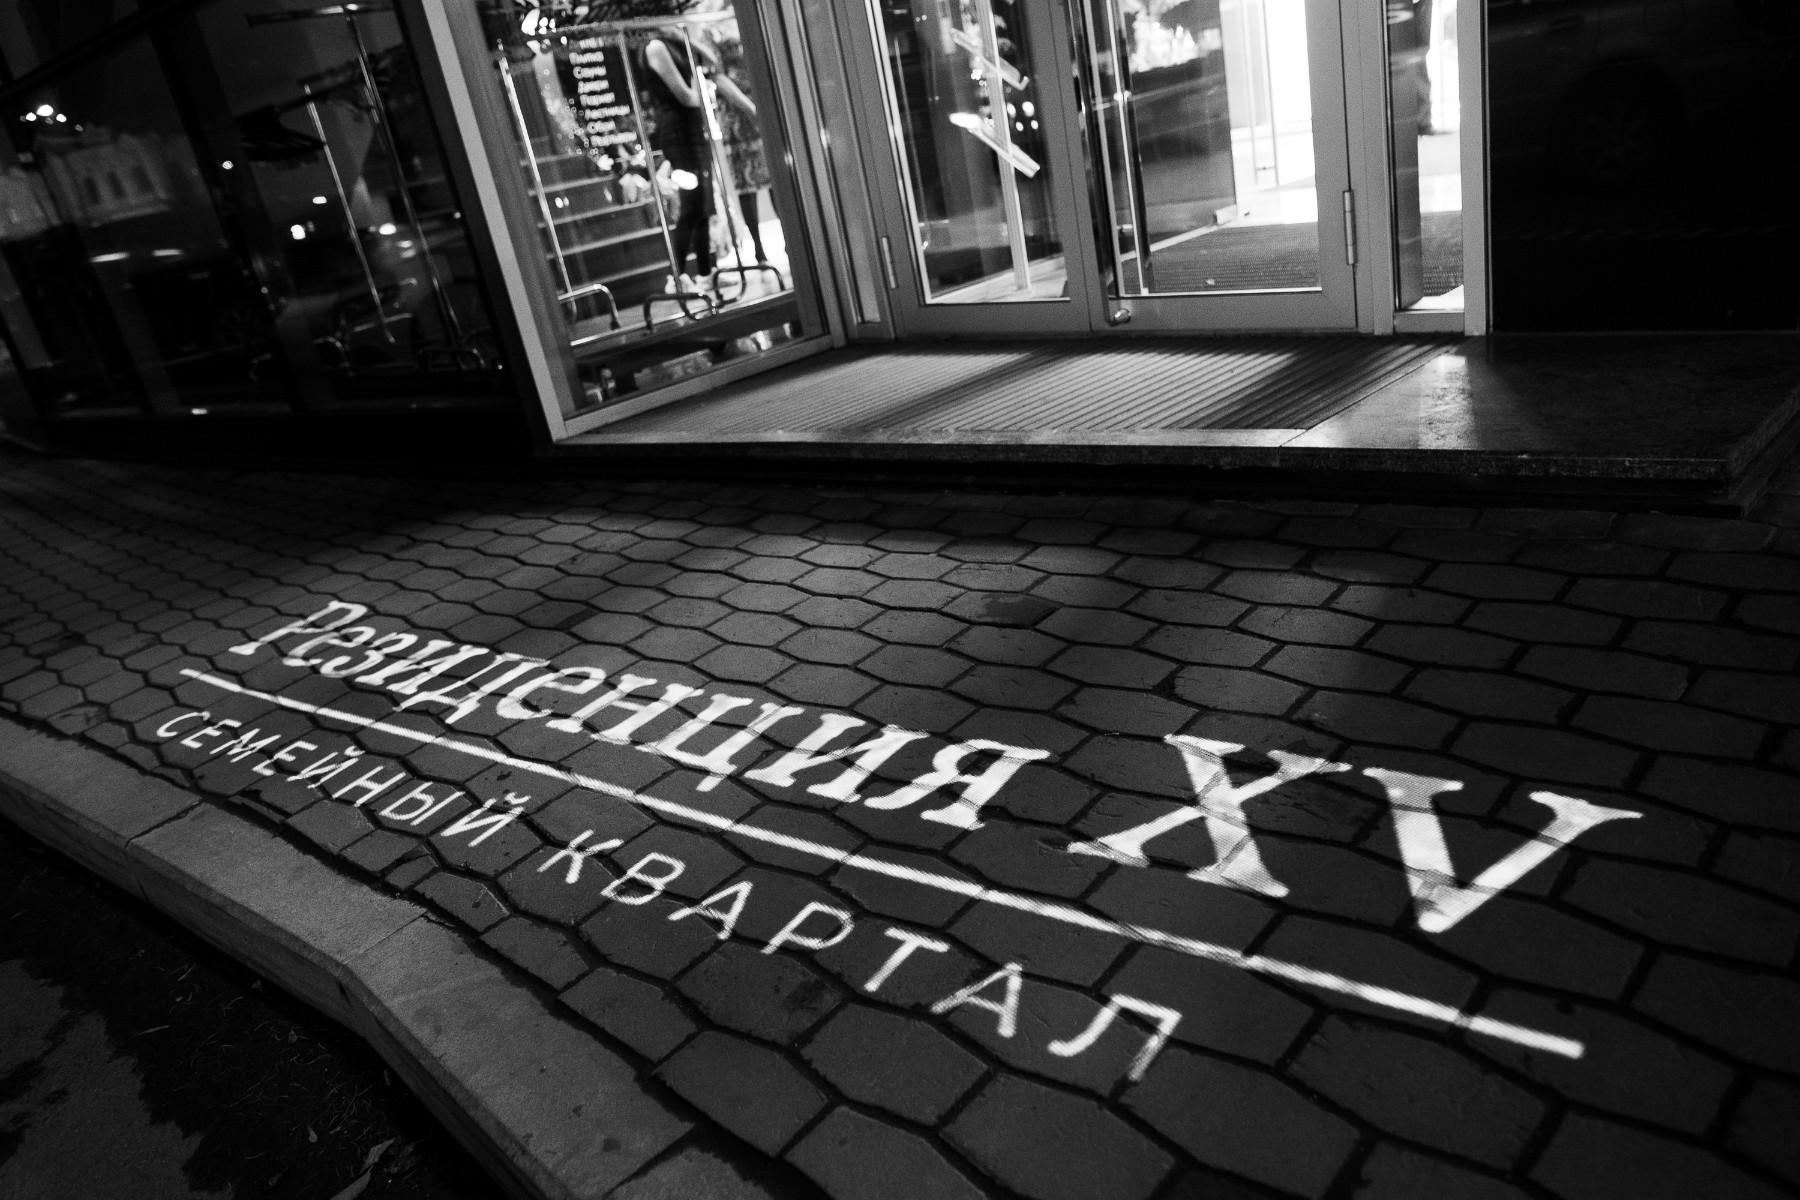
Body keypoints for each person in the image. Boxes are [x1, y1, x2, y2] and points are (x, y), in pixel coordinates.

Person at [639, 30, 714, 291]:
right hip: (678, 133)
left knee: (703, 205)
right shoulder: (655, 46)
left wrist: (682, 37)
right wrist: (702, 91)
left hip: (692, 129)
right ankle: (677, 276)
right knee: (692, 206)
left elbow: (711, 60)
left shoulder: (674, 43)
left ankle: (705, 273)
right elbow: (686, 96)